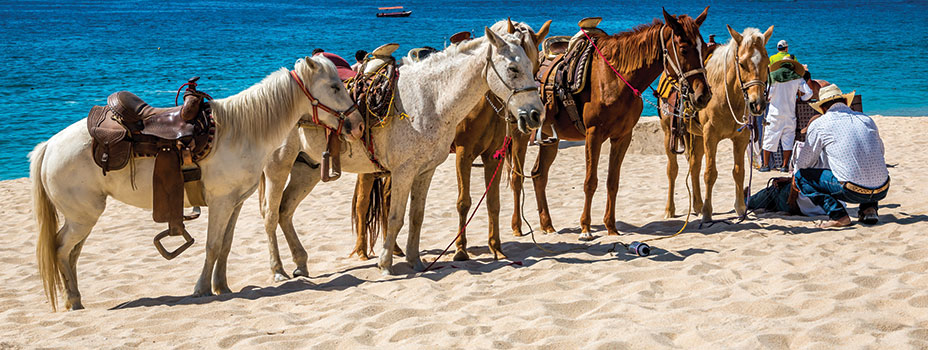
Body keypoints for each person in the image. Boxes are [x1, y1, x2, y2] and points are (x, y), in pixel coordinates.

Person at [792, 84, 889, 228]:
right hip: (882, 187)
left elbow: (804, 163)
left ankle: (838, 215)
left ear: (823, 108)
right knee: (866, 163)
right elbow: (881, 152)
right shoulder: (866, 119)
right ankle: (869, 209)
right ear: (845, 102)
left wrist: (795, 177)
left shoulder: (820, 124)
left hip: (851, 190)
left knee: (801, 176)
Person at [761, 58, 812, 172]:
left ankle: (765, 165)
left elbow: (768, 94)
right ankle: (784, 166)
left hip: (774, 114)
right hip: (790, 113)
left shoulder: (773, 76)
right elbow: (809, 93)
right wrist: (800, 98)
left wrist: (769, 98)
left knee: (769, 138)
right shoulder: (797, 78)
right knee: (788, 140)